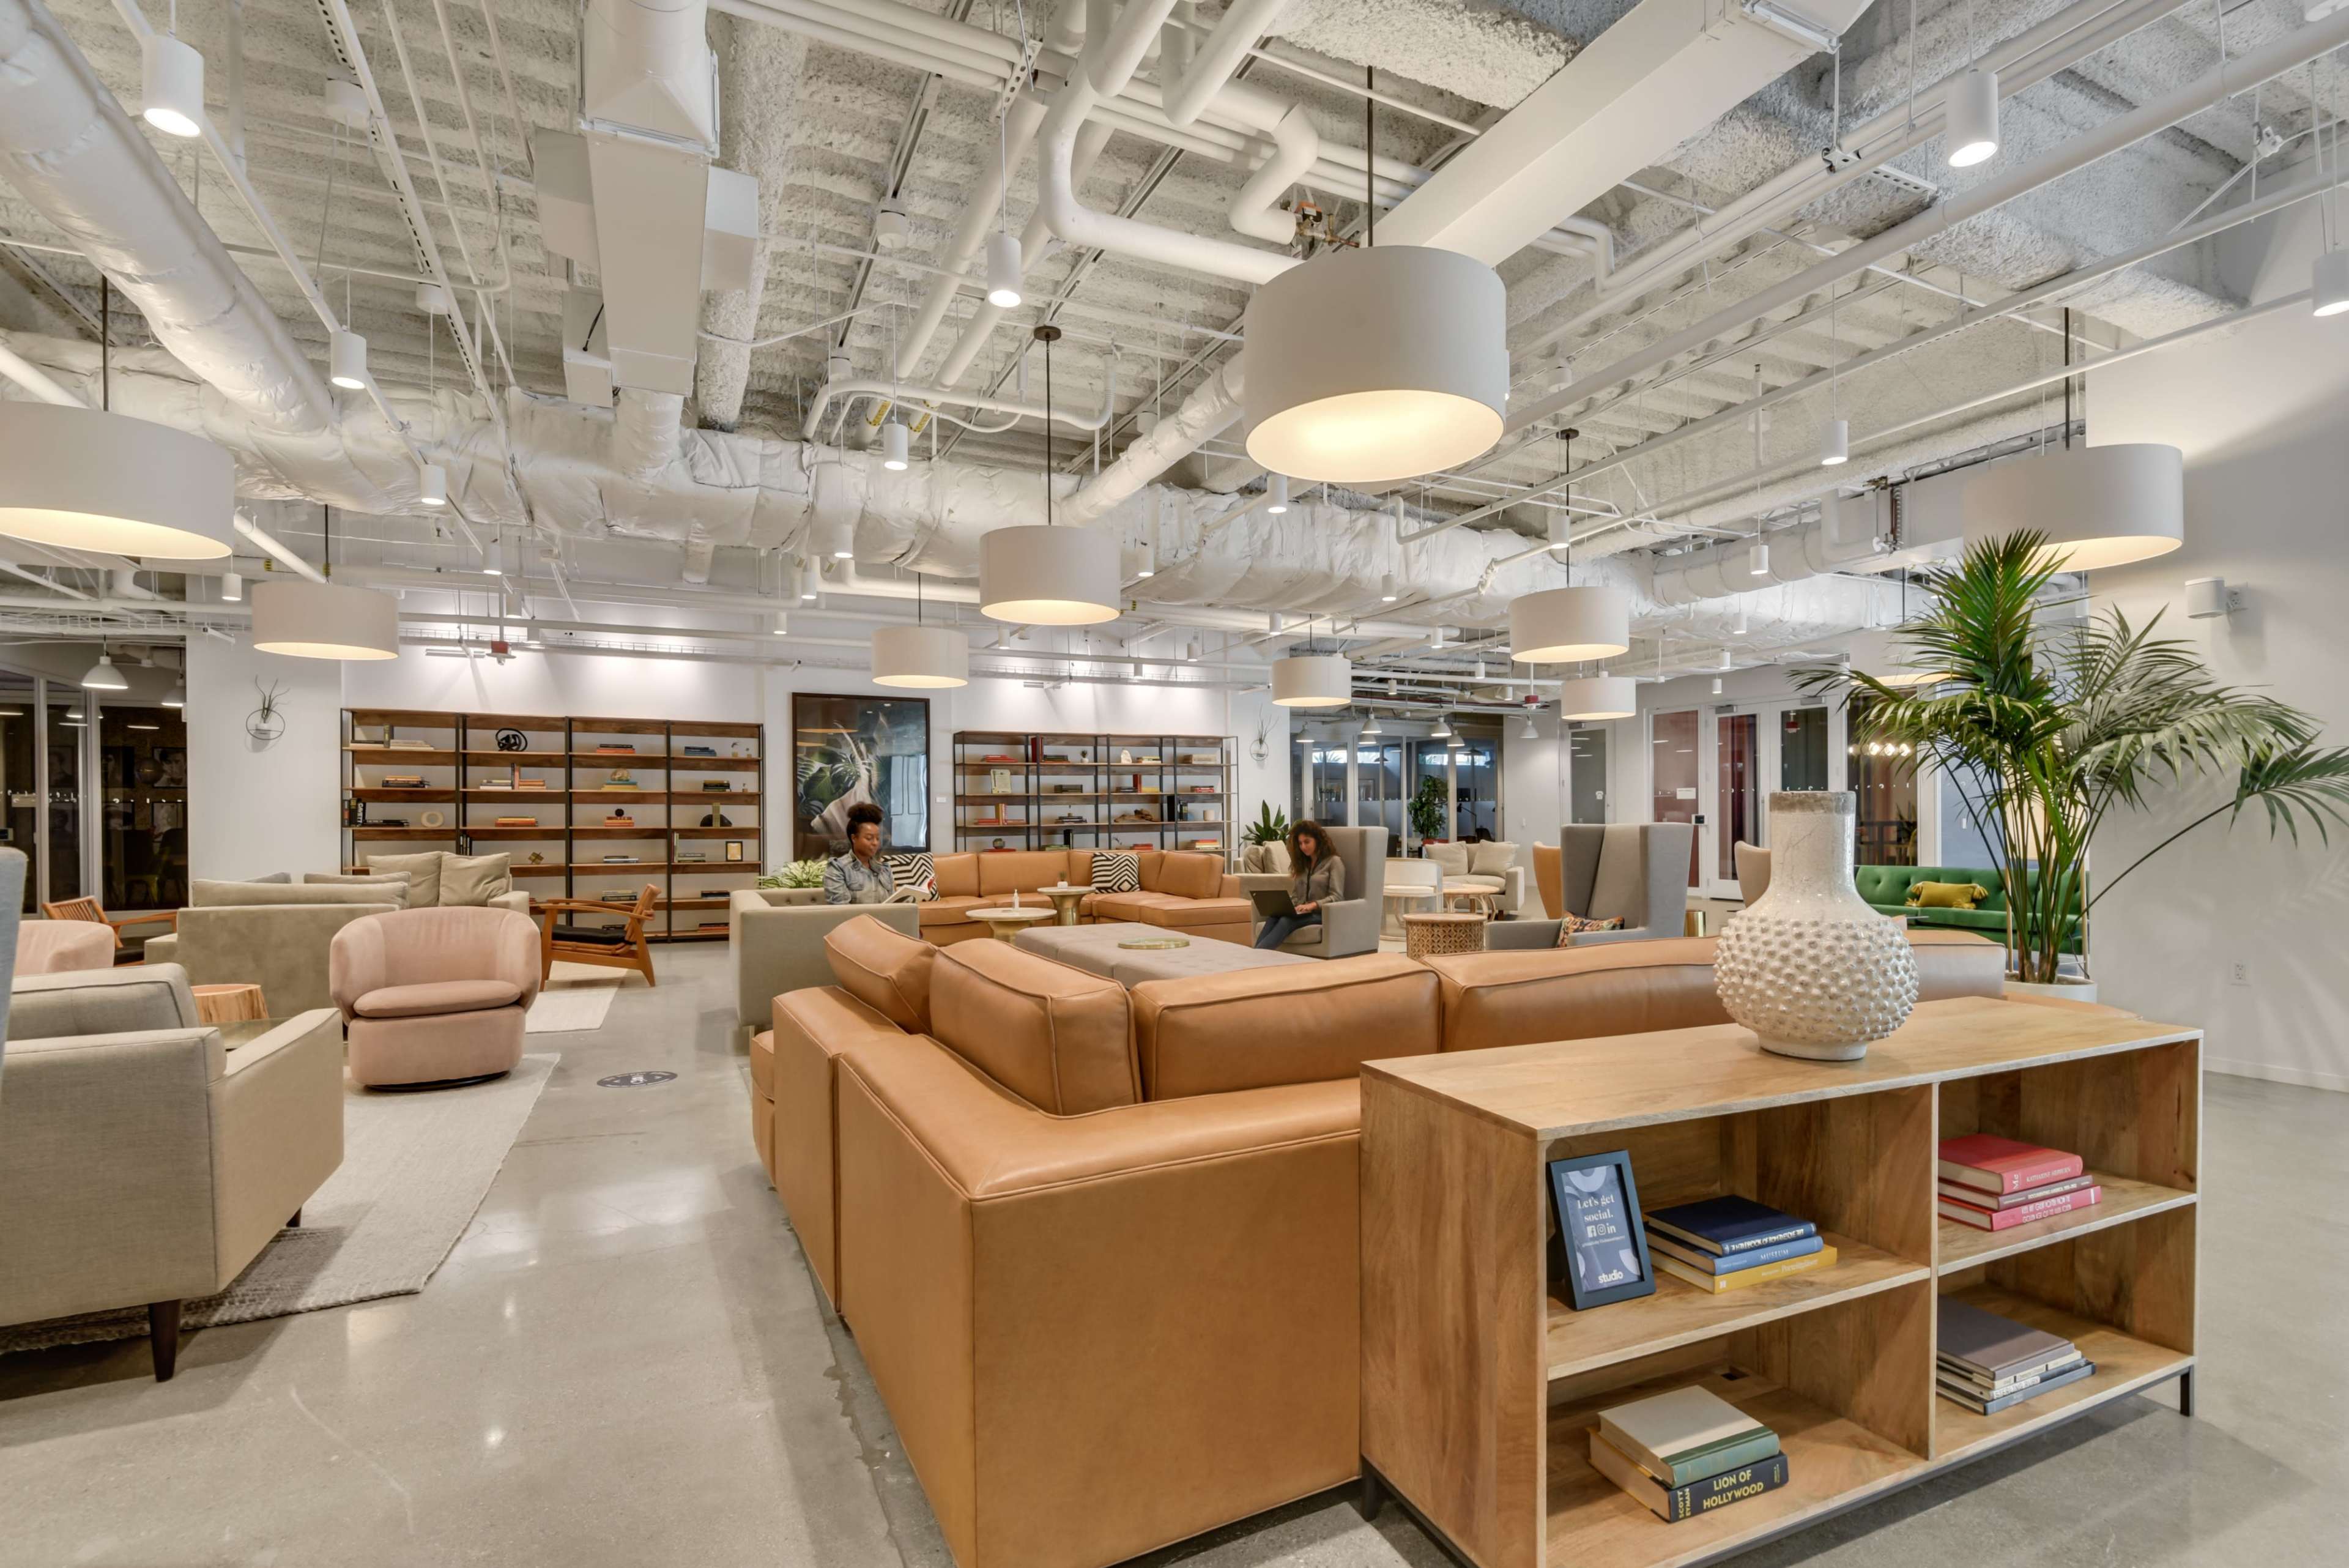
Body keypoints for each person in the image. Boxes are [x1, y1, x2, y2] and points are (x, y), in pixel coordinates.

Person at [1255, 818, 1343, 949]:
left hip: (1321, 914)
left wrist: (1313, 905)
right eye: (1300, 843)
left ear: (1318, 840)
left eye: (1307, 842)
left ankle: (1256, 957)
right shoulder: (1302, 865)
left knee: (1286, 921)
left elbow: (1337, 897)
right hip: (1303, 912)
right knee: (1275, 916)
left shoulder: (1334, 862)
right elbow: (1297, 895)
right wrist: (1286, 905)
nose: (1303, 847)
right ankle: (1255, 954)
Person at [822, 801, 896, 904]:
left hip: (884, 921)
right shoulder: (838, 869)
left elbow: (894, 907)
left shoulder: (885, 870)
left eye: (878, 838)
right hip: (854, 920)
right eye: (869, 838)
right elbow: (841, 911)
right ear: (854, 838)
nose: (875, 843)